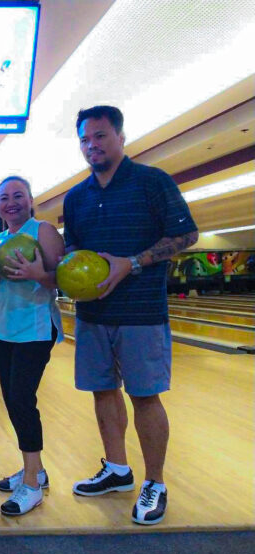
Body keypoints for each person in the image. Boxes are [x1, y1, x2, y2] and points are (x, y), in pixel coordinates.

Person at [63, 105, 198, 525]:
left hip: (141, 310)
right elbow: (75, 250)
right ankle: (117, 470)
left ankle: (154, 482)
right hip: (93, 312)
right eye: (85, 139)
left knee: (144, 395)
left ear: (120, 137)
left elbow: (186, 233)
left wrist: (132, 263)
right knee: (102, 390)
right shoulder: (76, 197)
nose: (92, 145)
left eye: (100, 136)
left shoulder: (152, 182)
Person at [0, 175, 64, 516]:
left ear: (29, 199)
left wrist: (37, 274)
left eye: (17, 195)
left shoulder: (42, 231)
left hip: (36, 329)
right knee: (13, 402)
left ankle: (32, 485)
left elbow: (62, 278)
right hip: (3, 330)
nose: (10, 202)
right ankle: (34, 468)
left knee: (23, 401)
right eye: (3, 198)